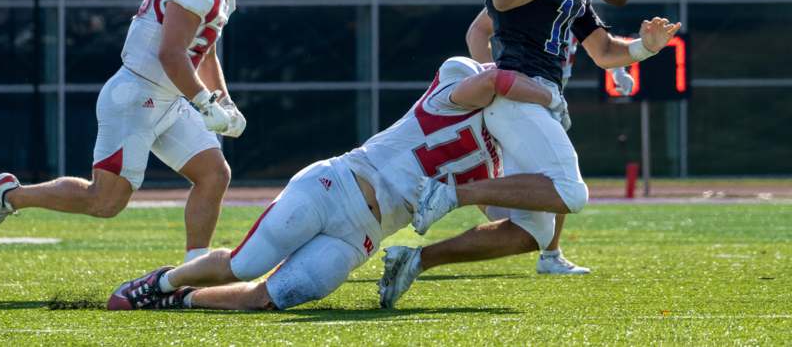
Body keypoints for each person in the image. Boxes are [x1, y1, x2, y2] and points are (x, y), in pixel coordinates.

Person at [379, 0, 680, 307]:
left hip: (539, 94)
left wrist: (646, 48)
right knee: (570, 192)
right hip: (519, 87)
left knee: (534, 231)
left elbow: (603, 50)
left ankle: (415, 260)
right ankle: (451, 191)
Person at [106, 57, 567, 311]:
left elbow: (516, 227)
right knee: (246, 264)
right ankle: (162, 280)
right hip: (337, 185)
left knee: (272, 297)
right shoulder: (463, 80)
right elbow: (494, 78)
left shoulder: (490, 166)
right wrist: (548, 96)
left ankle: (183, 300)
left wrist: (551, 192)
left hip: (361, 238)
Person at [0, 0, 259, 263]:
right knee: (104, 201)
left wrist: (224, 101)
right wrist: (204, 103)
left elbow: (204, 54)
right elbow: (171, 54)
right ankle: (9, 195)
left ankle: (195, 268)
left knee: (213, 174)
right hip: (137, 96)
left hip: (168, 100)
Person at [465, 16, 634, 275]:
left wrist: (618, 71)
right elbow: (477, 32)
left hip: (548, 97)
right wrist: (490, 77)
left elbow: (601, 45)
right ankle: (457, 193)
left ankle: (549, 252)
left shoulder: (572, 0)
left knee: (545, 189)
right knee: (553, 177)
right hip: (518, 96)